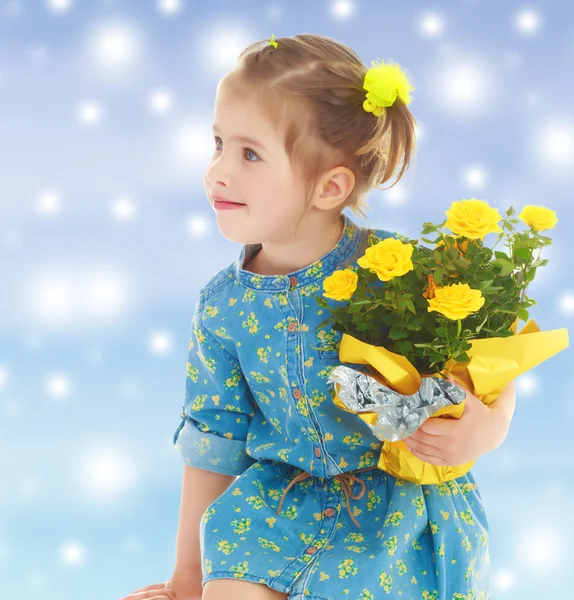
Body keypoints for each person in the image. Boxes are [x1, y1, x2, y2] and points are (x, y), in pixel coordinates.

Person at [121, 33, 516, 600]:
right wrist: (187, 581)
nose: (217, 172)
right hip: (275, 509)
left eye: (249, 154)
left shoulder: (397, 271)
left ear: (331, 186)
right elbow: (214, 440)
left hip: (397, 513)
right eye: (217, 144)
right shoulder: (223, 305)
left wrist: (491, 424)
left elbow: (490, 355)